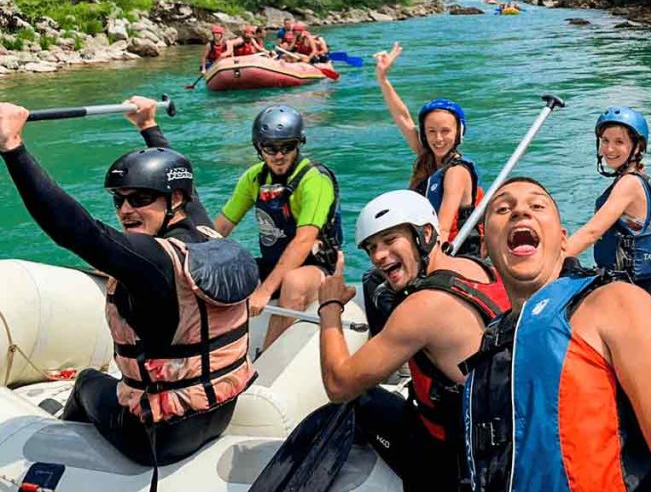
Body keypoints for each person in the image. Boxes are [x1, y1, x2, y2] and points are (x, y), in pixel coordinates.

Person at [0, 97, 258, 469]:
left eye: (140, 198)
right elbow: (184, 179)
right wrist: (147, 125)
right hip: (215, 413)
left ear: (175, 200)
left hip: (157, 435)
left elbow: (75, 230)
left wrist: (13, 147)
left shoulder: (154, 262)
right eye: (119, 200)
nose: (125, 210)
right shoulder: (203, 233)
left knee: (88, 381)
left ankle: (64, 458)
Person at [462, 178, 651, 492]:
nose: (519, 211)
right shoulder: (492, 343)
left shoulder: (615, 304)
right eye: (502, 208)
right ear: (485, 246)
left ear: (562, 240)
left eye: (537, 205)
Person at [317, 189, 510, 492]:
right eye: (371, 247)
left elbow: (338, 385)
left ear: (426, 234)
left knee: (359, 399)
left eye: (391, 240)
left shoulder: (422, 308)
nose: (379, 256)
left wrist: (329, 307)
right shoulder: (481, 268)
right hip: (500, 442)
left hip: (457, 463)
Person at [214, 105, 341, 350]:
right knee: (225, 274)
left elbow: (304, 240)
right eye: (270, 148)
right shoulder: (254, 178)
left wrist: (265, 291)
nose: (279, 155)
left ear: (299, 144)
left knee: (293, 281)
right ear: (259, 148)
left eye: (288, 147)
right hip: (273, 263)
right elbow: (222, 225)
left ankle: (267, 360)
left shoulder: (314, 180)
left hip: (317, 267)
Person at [373, 42, 484, 252]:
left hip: (455, 254)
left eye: (445, 131)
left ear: (458, 133)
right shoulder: (429, 157)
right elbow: (402, 117)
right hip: (428, 246)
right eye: (431, 131)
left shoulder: (456, 172)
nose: (438, 139)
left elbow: (442, 226)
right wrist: (383, 79)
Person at [565, 107, 651, 293]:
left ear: (637, 147)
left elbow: (592, 233)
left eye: (619, 142)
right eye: (605, 141)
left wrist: (549, 261)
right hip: (635, 287)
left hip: (624, 291)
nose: (609, 149)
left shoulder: (629, 184)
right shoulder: (642, 179)